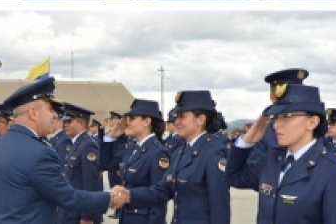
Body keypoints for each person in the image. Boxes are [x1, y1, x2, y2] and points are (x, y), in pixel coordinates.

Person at [225, 84, 336, 224]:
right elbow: (234, 178)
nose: (276, 125)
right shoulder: (272, 159)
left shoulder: (333, 170)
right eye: (276, 117)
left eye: (286, 116)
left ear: (312, 122)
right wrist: (246, 142)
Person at [0, 77, 112, 223]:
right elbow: (68, 198)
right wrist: (111, 198)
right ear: (33, 113)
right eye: (50, 109)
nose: (55, 115)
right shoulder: (39, 153)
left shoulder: (0, 145)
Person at [111, 91, 230, 224]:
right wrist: (129, 195)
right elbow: (163, 190)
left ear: (200, 119)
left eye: (181, 116)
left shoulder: (213, 153)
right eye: (176, 117)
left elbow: (219, 207)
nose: (176, 122)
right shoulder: (180, 152)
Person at [114, 100, 169, 224]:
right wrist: (110, 138)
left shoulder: (158, 153)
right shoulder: (133, 148)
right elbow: (107, 164)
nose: (127, 122)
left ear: (147, 121)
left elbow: (159, 198)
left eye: (132, 118)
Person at [248, 68, 309, 164]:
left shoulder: (313, 125)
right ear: (272, 97)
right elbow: (255, 168)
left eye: (297, 93)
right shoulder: (264, 131)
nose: (294, 98)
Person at [56, 103, 103, 224]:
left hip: (78, 214)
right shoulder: (76, 144)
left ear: (81, 123)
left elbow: (90, 183)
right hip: (70, 210)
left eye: (69, 121)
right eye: (64, 121)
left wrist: (87, 216)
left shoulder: (88, 145)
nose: (65, 125)